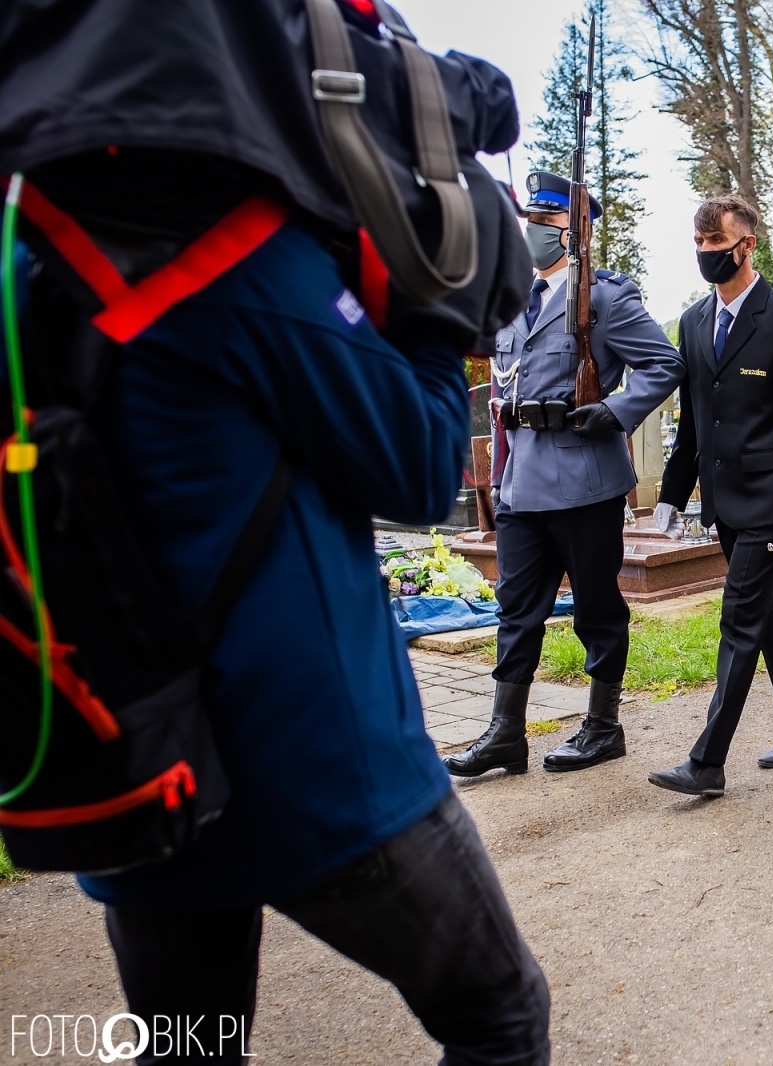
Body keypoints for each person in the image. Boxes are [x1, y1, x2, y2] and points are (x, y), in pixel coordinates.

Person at [34, 154, 552, 1059]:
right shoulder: (236, 249)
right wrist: (428, 314)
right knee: (497, 1012)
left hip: (130, 757)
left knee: (190, 1049)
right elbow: (424, 467)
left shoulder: (24, 254)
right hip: (313, 761)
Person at [445, 173, 684, 779]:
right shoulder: (512, 302)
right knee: (515, 608)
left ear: (572, 233)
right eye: (528, 221)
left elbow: (663, 363)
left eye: (543, 224)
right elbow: (504, 393)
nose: (530, 233)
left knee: (597, 608)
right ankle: (505, 733)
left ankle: (603, 727)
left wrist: (614, 411)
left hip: (584, 482)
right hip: (524, 483)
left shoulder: (603, 300)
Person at [650, 196, 773, 797]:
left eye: (715, 244)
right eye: (698, 245)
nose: (706, 254)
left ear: (745, 245)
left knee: (739, 617)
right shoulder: (694, 322)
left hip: (770, 500)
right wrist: (672, 497)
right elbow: (694, 421)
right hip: (722, 501)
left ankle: (707, 763)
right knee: (768, 613)